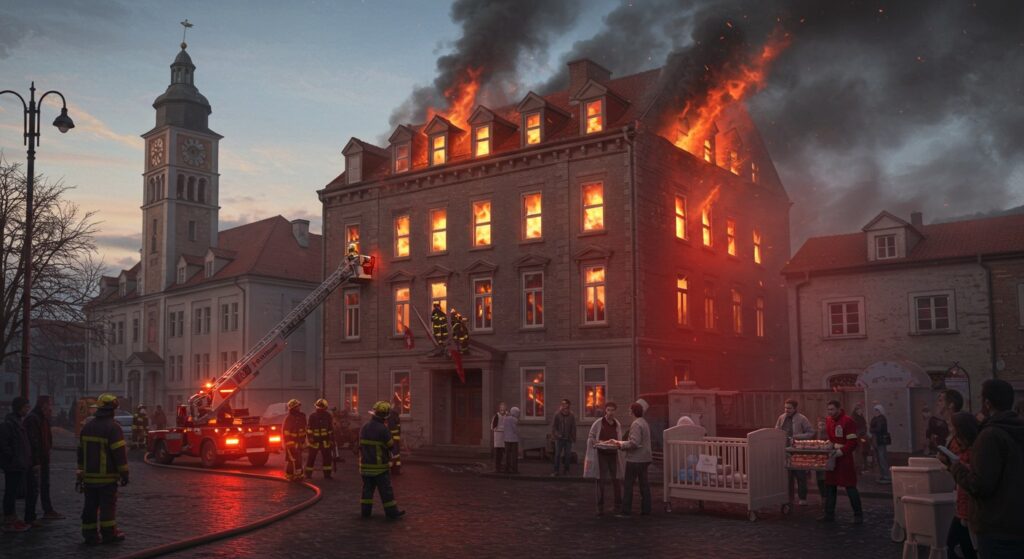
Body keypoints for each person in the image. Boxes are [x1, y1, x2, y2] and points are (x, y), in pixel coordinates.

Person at [944, 379, 1024, 557]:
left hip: (996, 525)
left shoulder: (990, 436)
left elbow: (980, 485)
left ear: (987, 403)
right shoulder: (1017, 430)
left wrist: (956, 467)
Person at [77, 393, 129, 545]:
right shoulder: (113, 428)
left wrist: (80, 473)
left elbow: (80, 453)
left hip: (89, 477)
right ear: (112, 410)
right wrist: (124, 473)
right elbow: (119, 454)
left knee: (90, 506)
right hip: (107, 477)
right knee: (107, 507)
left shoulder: (87, 427)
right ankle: (109, 534)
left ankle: (89, 535)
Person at [359, 401, 405, 519]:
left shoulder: (364, 427)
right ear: (385, 415)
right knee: (386, 491)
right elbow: (391, 446)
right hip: (380, 467)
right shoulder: (383, 429)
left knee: (367, 491)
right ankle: (392, 513)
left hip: (365, 466)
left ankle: (365, 512)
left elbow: (360, 446)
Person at [819, 400, 863, 524]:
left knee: (850, 486)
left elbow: (852, 442)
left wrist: (841, 451)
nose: (830, 412)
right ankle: (829, 514)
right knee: (830, 486)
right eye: (828, 409)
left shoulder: (848, 421)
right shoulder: (829, 420)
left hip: (844, 459)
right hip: (833, 457)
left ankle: (858, 515)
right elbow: (830, 438)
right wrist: (829, 445)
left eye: (832, 409)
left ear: (839, 409)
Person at [24, 395, 64, 521]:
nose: (51, 406)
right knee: (33, 488)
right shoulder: (34, 418)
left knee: (44, 485)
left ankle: (47, 510)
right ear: (44, 404)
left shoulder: (42, 418)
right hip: (36, 459)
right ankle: (30, 516)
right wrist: (36, 460)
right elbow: (33, 441)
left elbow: (46, 437)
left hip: (44, 457)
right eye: (49, 403)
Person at [945, 411, 978, 559]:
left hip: (967, 508)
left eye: (952, 427)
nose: (951, 429)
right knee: (959, 546)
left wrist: (958, 466)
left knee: (954, 546)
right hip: (962, 507)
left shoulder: (972, 452)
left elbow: (971, 479)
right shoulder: (965, 448)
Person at [0, 396, 33, 532]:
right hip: (13, 465)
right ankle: (8, 519)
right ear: (19, 408)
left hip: (18, 463)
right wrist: (14, 458)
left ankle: (12, 517)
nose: (27, 409)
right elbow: (4, 445)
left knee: (13, 492)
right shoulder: (9, 424)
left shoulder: (18, 422)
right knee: (10, 492)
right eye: (26, 407)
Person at [586, 402, 624, 516]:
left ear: (615, 411)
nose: (610, 412)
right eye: (608, 410)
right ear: (605, 411)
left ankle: (618, 505)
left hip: (613, 454)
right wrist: (596, 442)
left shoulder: (617, 424)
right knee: (600, 480)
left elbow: (619, 439)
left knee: (616, 479)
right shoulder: (599, 423)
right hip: (601, 454)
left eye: (612, 410)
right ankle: (600, 506)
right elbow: (591, 436)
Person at [774, 398, 814, 505]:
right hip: (785, 451)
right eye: (785, 408)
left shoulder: (802, 419)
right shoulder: (781, 418)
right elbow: (776, 430)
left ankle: (802, 498)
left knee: (800, 475)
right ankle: (789, 498)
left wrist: (796, 437)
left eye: (789, 408)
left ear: (795, 408)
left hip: (797, 451)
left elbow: (810, 432)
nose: (786, 410)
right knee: (787, 477)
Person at [617, 400, 653, 517]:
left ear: (632, 411)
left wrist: (621, 445)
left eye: (630, 409)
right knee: (644, 485)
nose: (628, 411)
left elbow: (634, 443)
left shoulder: (636, 424)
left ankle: (626, 511)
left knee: (628, 485)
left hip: (635, 459)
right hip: (645, 458)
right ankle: (646, 510)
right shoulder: (644, 422)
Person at [305, 398, 335, 480]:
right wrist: (311, 438)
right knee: (313, 458)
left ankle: (324, 474)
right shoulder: (314, 416)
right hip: (317, 441)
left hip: (324, 441)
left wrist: (331, 440)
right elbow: (309, 429)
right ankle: (310, 474)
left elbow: (330, 429)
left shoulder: (327, 416)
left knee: (326, 458)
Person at [282, 399, 307, 481]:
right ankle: (289, 475)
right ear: (293, 408)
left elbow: (304, 429)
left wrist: (304, 441)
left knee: (299, 459)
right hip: (291, 443)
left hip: (299, 442)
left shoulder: (301, 417)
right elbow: (286, 433)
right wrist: (290, 445)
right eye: (297, 407)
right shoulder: (289, 419)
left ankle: (299, 475)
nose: (299, 408)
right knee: (292, 460)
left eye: (299, 406)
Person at [551, 398, 576, 476]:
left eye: (565, 403)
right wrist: (557, 435)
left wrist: (573, 437)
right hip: (559, 439)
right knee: (557, 455)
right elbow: (554, 426)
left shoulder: (571, 415)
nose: (563, 405)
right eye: (562, 404)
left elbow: (573, 427)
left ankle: (566, 470)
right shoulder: (557, 414)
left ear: (568, 405)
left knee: (567, 455)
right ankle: (556, 471)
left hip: (568, 439)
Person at [868, 404, 892, 483]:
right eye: (875, 410)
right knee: (879, 458)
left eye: (876, 410)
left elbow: (878, 429)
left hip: (880, 440)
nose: (875, 412)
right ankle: (883, 474)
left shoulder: (881, 419)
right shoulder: (876, 418)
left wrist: (872, 429)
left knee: (882, 458)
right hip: (876, 440)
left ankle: (886, 475)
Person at [851, 403, 869, 473]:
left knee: (863, 452)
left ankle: (861, 466)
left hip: (861, 436)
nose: (861, 411)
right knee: (858, 452)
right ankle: (857, 467)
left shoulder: (860, 417)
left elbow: (864, 425)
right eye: (860, 409)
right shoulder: (854, 417)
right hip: (857, 437)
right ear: (857, 410)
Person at [503, 407, 521, 474]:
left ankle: (507, 468)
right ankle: (514, 469)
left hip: (506, 439)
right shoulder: (514, 420)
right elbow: (515, 430)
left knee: (507, 455)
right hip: (514, 440)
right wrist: (519, 436)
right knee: (514, 455)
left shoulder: (505, 418)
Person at [387, 399, 402, 475]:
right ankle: (396, 469)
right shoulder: (394, 414)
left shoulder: (389, 415)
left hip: (391, 437)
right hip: (395, 437)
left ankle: (392, 469)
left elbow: (392, 427)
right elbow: (397, 427)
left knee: (393, 453)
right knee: (396, 453)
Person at [491, 402, 507, 473]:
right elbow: (492, 426)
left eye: (504, 407)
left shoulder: (507, 416)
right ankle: (497, 467)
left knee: (504, 453)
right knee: (498, 453)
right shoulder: (496, 416)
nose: (503, 408)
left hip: (504, 437)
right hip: (498, 437)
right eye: (501, 407)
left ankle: (503, 467)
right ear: (499, 408)